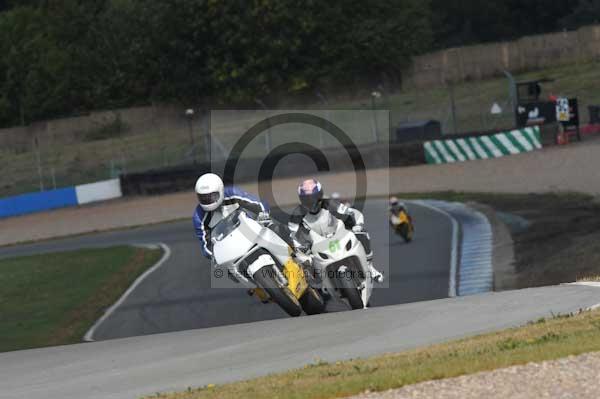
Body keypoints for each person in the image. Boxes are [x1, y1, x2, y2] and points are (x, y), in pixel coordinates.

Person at [288, 178, 383, 282]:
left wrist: (358, 225)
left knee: (362, 233)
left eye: (314, 198)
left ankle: (370, 267)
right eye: (307, 199)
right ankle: (317, 285)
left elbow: (352, 212)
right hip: (315, 244)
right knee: (301, 259)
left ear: (320, 195)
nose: (311, 202)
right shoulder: (297, 214)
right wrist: (299, 248)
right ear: (301, 200)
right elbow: (293, 235)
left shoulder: (330, 203)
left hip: (337, 234)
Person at [193, 173, 269, 259]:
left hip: (251, 233)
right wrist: (218, 256)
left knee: (275, 229)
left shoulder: (232, 193)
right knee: (224, 271)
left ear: (221, 190)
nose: (208, 200)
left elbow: (258, 204)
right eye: (203, 198)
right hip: (229, 251)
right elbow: (206, 247)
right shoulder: (198, 217)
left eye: (212, 196)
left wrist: (263, 217)